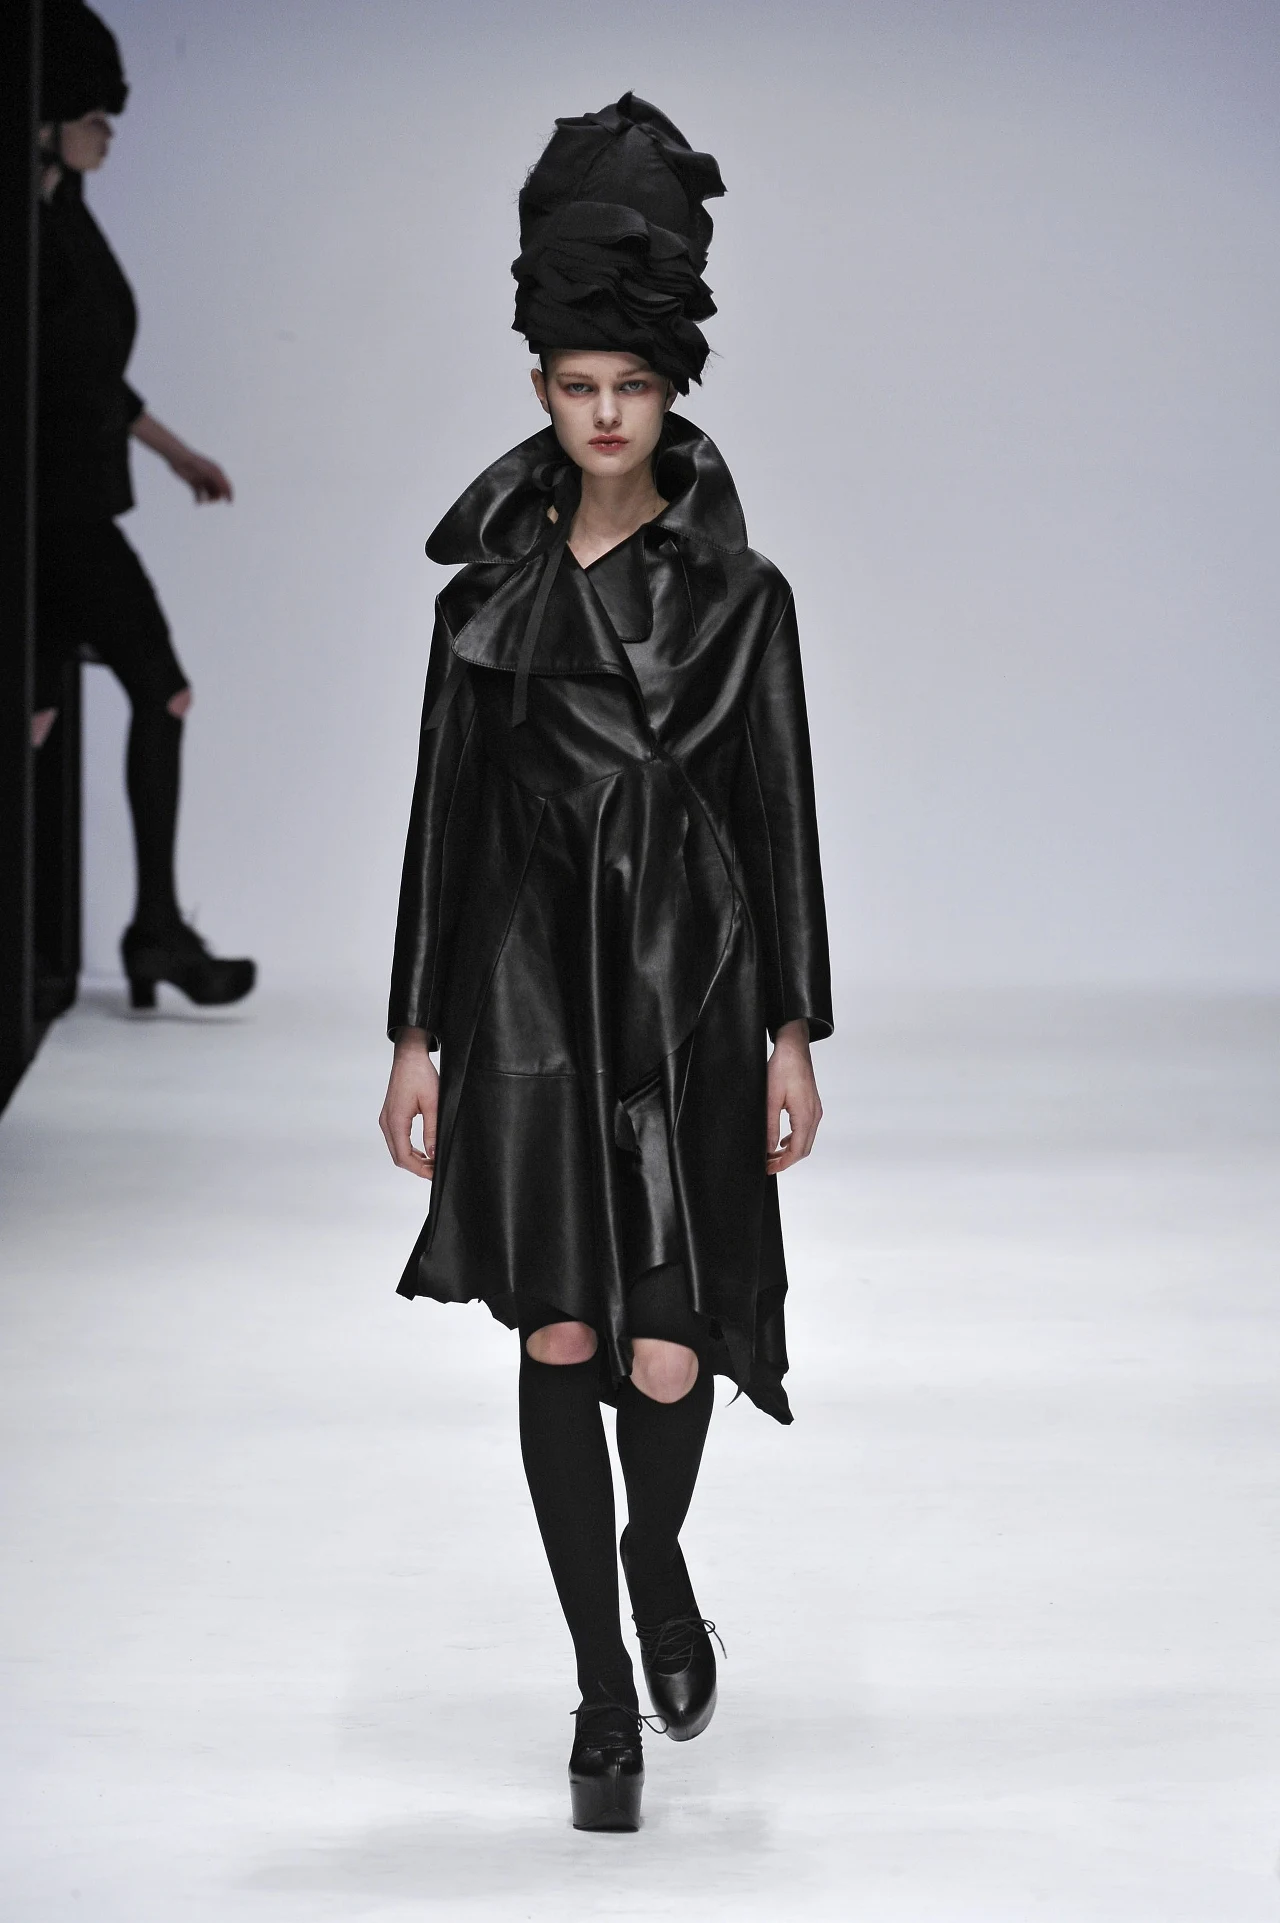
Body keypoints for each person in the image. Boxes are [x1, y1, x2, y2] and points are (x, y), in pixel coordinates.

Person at [379, 94, 831, 1832]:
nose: (606, 416)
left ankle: (656, 1558)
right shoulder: (479, 605)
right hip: (528, 987)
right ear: (543, 390)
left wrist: (792, 1031)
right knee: (564, 1324)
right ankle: (597, 1688)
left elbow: (779, 811)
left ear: (670, 388)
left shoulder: (743, 594)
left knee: (669, 1342)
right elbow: (443, 819)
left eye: (631, 386)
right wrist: (416, 1035)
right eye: (578, 387)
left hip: (690, 979)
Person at [33, 0, 255, 1010]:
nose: (108, 133)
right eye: (93, 116)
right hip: (53, 517)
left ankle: (143, 931)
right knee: (136, 696)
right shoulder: (32, 230)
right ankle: (151, 932)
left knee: (53, 711)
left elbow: (89, 375)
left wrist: (174, 454)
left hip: (75, 505)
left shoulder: (65, 219)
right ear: (44, 118)